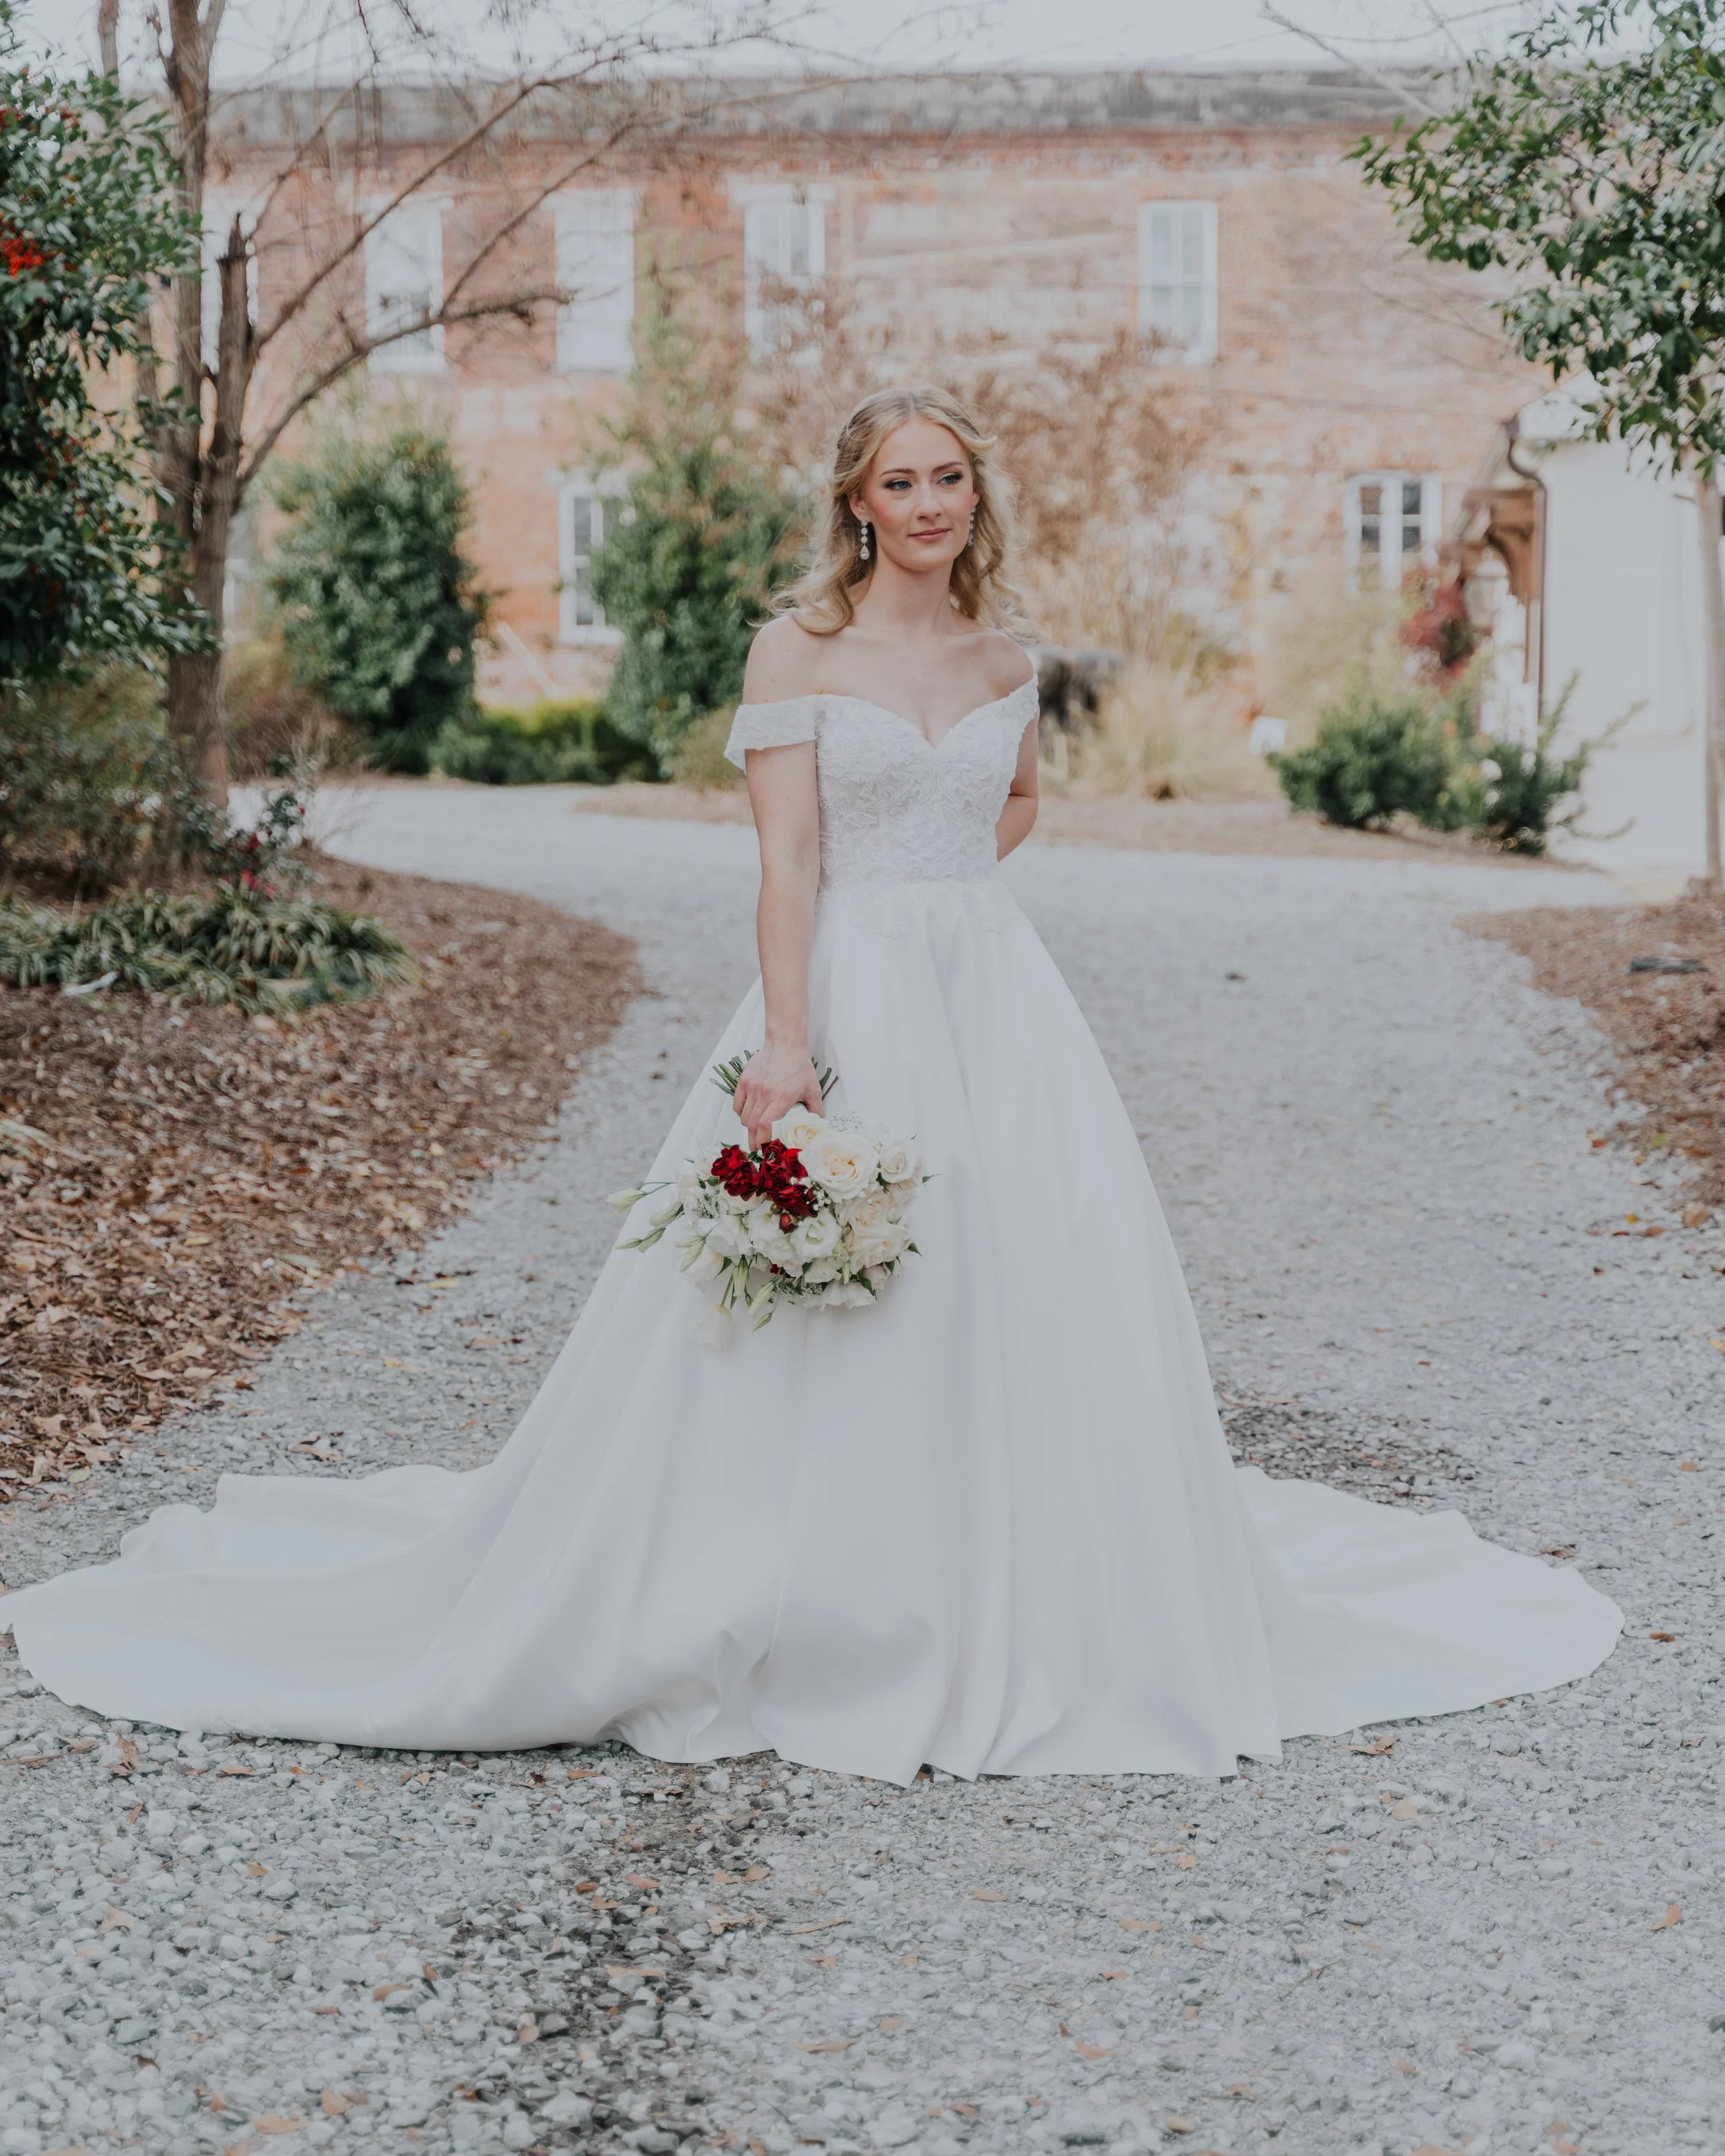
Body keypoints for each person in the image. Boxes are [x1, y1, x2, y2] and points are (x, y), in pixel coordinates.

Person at [2, 386, 1621, 1783]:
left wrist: (946, 909)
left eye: (949, 478)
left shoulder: (1006, 649)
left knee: (1021, 1275)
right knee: (810, 1295)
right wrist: (790, 1035)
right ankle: (796, 1587)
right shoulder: (802, 643)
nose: (926, 503)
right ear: (854, 501)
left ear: (974, 496)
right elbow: (782, 859)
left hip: (993, 992)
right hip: (838, 976)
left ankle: (1010, 1582)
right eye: (897, 480)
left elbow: (1020, 804)